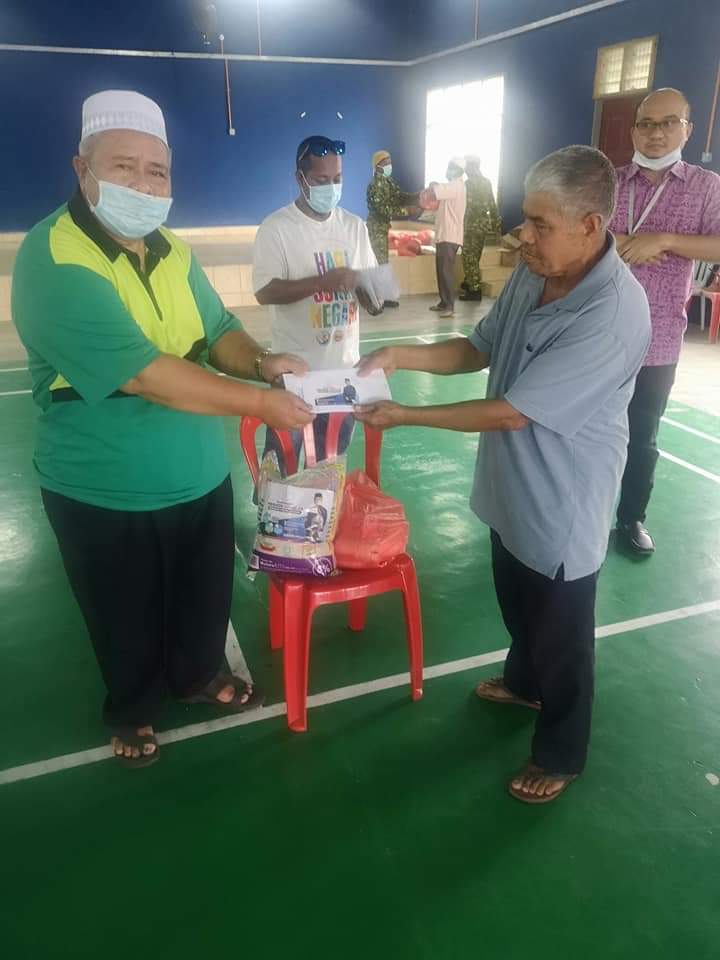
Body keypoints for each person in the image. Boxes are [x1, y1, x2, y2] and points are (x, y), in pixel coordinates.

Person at [12, 90, 314, 769]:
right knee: (124, 614)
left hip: (198, 473)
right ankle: (133, 708)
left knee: (203, 598)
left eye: (158, 171)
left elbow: (218, 329)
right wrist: (259, 403)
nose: (144, 186)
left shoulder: (171, 248)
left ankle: (198, 675)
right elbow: (145, 374)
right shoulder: (54, 258)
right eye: (124, 167)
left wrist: (262, 363)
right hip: (103, 491)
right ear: (82, 168)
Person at [355, 146, 651, 803]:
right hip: (513, 484)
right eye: (527, 218)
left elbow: (514, 413)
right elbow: (476, 348)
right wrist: (400, 353)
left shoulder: (611, 312)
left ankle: (561, 751)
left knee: (562, 633)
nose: (525, 236)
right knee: (517, 599)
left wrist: (405, 415)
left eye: (542, 224)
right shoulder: (534, 268)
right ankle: (523, 683)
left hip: (562, 497)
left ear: (591, 226)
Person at [609, 88, 720, 556]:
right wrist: (614, 242)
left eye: (668, 122)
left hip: (657, 337)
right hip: (595, 330)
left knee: (642, 435)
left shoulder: (705, 186)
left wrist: (666, 240)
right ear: (634, 130)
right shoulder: (609, 180)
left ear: (687, 130)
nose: (656, 133)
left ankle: (630, 518)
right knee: (579, 427)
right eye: (646, 123)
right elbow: (578, 233)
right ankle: (577, 512)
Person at [253, 135, 379, 468]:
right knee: (282, 472)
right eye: (321, 180)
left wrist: (368, 290)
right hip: (295, 377)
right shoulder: (277, 228)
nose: (331, 188)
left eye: (337, 179)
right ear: (300, 178)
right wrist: (322, 282)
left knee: (329, 470)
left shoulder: (354, 227)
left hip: (344, 376)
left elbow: (369, 296)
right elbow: (265, 291)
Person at [366, 149, 419, 306]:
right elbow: (383, 209)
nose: (390, 165)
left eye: (390, 161)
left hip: (382, 227)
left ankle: (383, 296)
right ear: (378, 165)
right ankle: (379, 298)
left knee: (382, 262)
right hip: (376, 228)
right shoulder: (375, 185)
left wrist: (417, 196)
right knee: (379, 263)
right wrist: (406, 211)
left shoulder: (387, 182)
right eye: (386, 162)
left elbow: (400, 196)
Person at [427, 157, 467, 318]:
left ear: (459, 170)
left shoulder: (456, 185)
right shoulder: (454, 186)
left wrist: (432, 185)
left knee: (446, 271)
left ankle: (449, 305)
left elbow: (436, 190)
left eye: (451, 167)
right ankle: (444, 302)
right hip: (444, 235)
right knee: (441, 270)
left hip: (450, 236)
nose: (448, 170)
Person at [459, 155, 501, 302]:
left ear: (471, 167)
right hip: (482, 226)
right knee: (475, 256)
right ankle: (469, 282)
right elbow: (492, 205)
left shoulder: (467, 184)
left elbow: (461, 207)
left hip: (471, 226)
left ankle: (474, 290)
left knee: (469, 257)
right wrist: (497, 227)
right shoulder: (486, 182)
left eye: (466, 167)